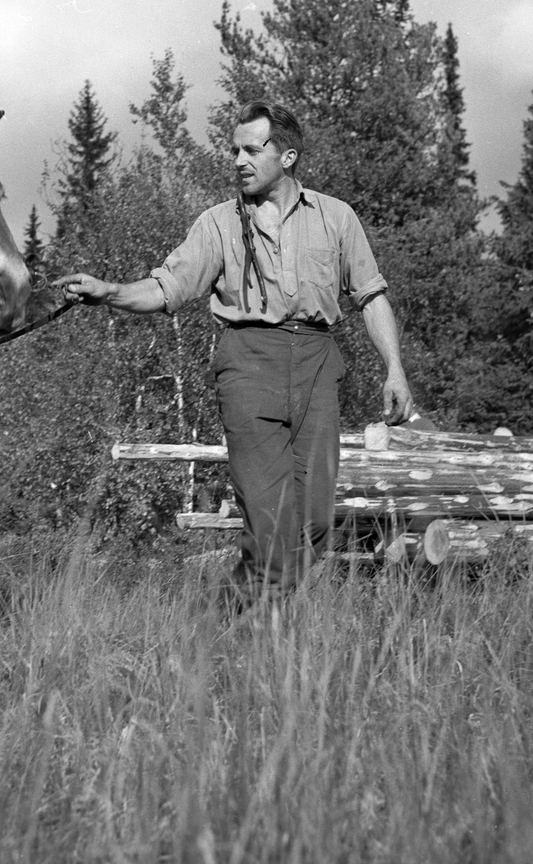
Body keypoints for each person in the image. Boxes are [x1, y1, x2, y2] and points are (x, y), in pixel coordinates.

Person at [57, 100, 413, 607]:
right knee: (269, 522)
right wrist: (109, 291)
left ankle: (228, 612)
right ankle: (239, 632)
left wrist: (394, 369)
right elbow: (170, 287)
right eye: (234, 151)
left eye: (251, 149)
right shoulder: (217, 224)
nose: (238, 161)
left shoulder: (336, 217)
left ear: (287, 156)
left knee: (314, 521)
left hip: (317, 363)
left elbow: (372, 295)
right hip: (247, 364)